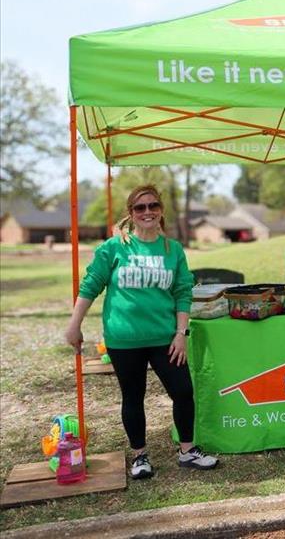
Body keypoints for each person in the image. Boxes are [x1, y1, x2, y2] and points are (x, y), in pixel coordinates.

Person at [65, 184, 219, 478]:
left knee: (183, 392)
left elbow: (182, 292)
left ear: (161, 211)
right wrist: (74, 324)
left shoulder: (172, 250)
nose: (147, 212)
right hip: (124, 340)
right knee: (133, 397)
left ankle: (188, 452)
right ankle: (140, 457)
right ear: (131, 213)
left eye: (153, 206)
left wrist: (180, 333)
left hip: (165, 338)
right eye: (140, 207)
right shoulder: (114, 248)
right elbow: (91, 286)